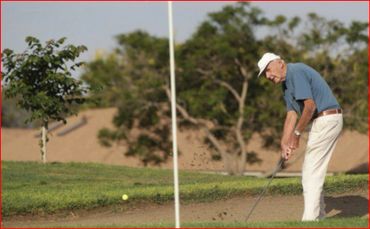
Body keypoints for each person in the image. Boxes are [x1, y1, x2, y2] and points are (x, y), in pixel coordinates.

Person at [257, 52, 343, 221]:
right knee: (311, 170)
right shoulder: (286, 85)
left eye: (268, 70)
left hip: (327, 118)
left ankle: (310, 220)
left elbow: (309, 107)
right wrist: (284, 143)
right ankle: (318, 216)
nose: (267, 76)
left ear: (280, 63)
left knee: (311, 171)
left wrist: (296, 136)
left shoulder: (295, 71)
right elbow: (291, 114)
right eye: (264, 74)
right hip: (324, 120)